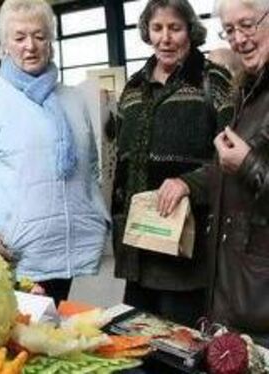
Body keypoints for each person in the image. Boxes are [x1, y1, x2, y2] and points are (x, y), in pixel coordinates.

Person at [0, 0, 110, 306]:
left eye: (39, 36)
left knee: (57, 342)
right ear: (4, 45)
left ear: (50, 41)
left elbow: (90, 169)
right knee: (18, 343)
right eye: (19, 37)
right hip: (14, 254)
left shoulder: (73, 99)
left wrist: (97, 216)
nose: (30, 46)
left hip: (70, 248)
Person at [109, 0, 234, 327]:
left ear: (190, 31)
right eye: (157, 28)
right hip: (137, 249)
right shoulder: (133, 88)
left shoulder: (213, 81)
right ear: (147, 33)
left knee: (182, 348)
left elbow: (233, 157)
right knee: (136, 345)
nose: (165, 38)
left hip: (186, 254)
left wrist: (188, 183)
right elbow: (122, 163)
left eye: (175, 28)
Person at [163, 0, 269, 344]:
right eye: (230, 30)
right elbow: (226, 172)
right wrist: (187, 183)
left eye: (248, 25)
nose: (239, 39)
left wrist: (247, 164)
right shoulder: (249, 89)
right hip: (238, 287)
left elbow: (244, 167)